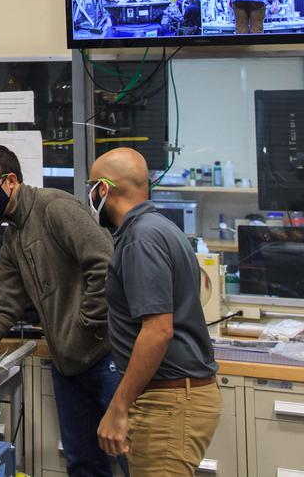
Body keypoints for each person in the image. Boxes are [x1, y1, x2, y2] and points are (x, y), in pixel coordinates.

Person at [0, 144, 123, 477]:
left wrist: (86, 326)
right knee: (84, 465)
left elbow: (106, 265)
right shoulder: (14, 236)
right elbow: (6, 304)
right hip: (68, 366)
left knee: (130, 460)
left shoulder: (54, 208)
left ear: (10, 181)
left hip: (106, 358)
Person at [90, 148, 220, 476]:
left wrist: (118, 407)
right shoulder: (159, 228)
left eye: (92, 187)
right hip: (173, 396)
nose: (90, 197)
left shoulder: (140, 239)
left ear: (103, 190)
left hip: (169, 402)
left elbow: (158, 330)